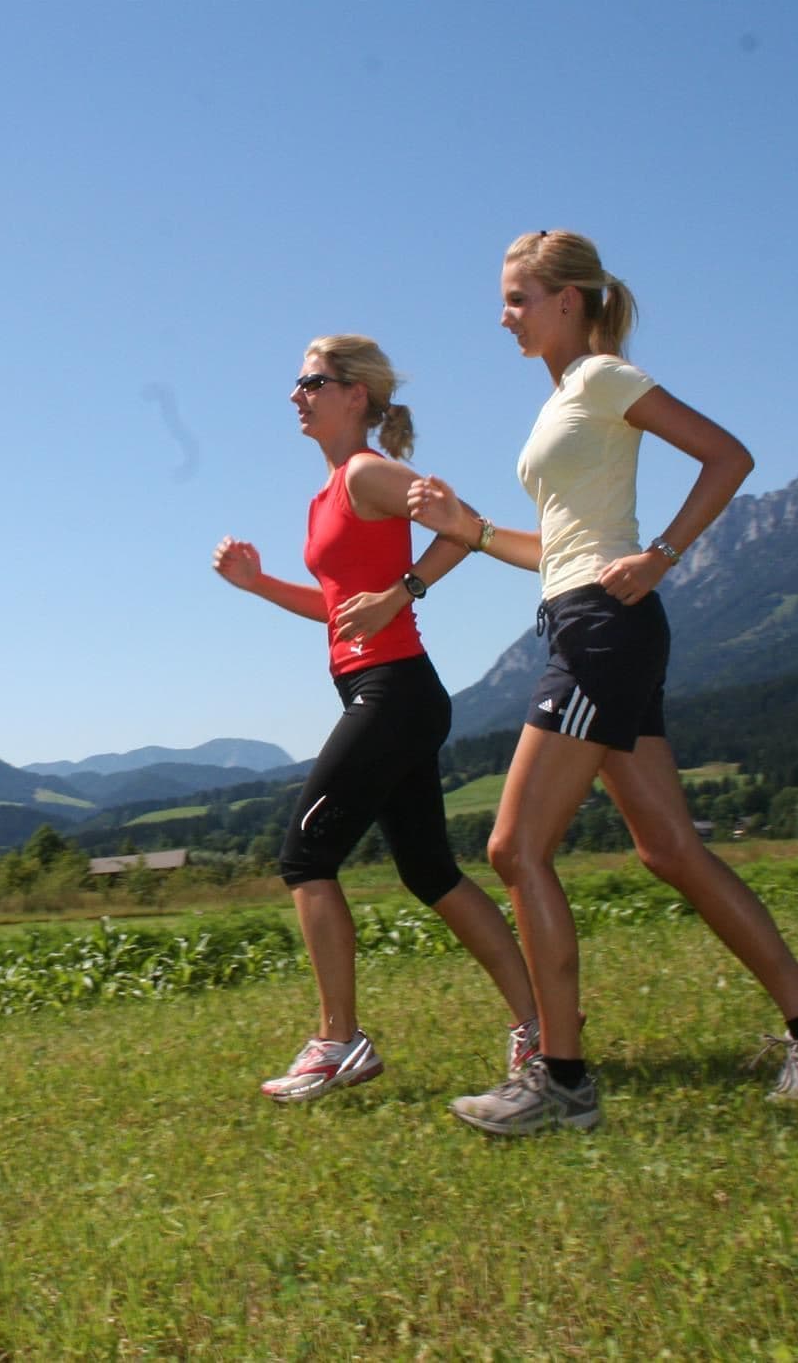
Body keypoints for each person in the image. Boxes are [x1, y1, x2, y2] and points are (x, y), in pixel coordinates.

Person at [407, 230, 798, 1135]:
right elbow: (554, 550)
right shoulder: (566, 403)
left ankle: (563, 1081)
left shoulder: (603, 379)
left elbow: (728, 454)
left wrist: (662, 555)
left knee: (514, 849)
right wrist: (466, 528)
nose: (503, 316)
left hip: (601, 633)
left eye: (517, 299)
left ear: (569, 301)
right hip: (586, 614)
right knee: (670, 849)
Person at [214, 334, 540, 1104]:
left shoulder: (366, 472)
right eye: (296, 382)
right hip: (383, 690)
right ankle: (542, 1026)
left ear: (354, 393)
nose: (296, 394)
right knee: (430, 870)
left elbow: (466, 525)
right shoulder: (328, 492)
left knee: (304, 855)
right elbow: (335, 610)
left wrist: (405, 589)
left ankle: (338, 1039)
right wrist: (260, 585)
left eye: (311, 381)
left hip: (393, 693)